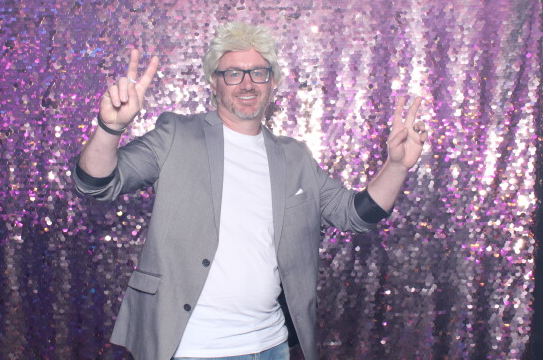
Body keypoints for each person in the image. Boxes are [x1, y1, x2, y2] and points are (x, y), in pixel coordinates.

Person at [72, 22, 428, 360]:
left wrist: (396, 167)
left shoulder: (294, 156)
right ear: (214, 83)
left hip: (271, 346)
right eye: (233, 73)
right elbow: (96, 184)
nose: (247, 84)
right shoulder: (176, 135)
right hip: (192, 349)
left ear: (273, 82)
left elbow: (355, 214)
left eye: (258, 72)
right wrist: (110, 128)